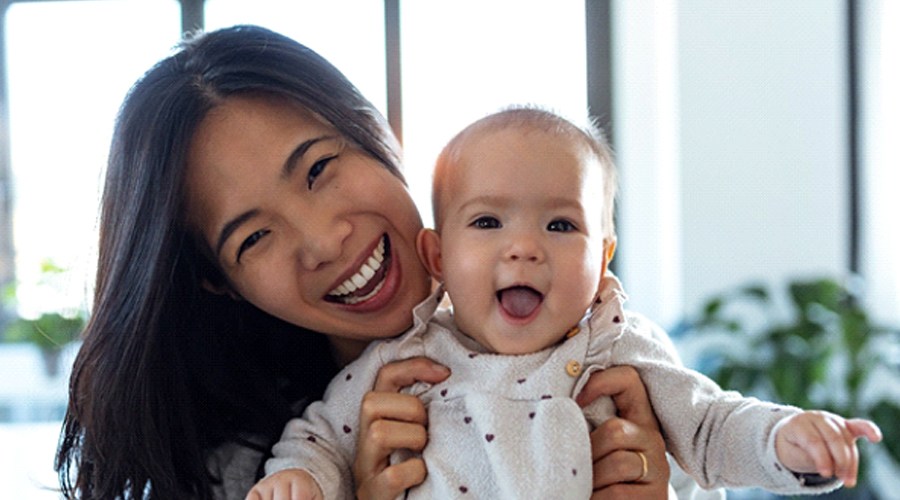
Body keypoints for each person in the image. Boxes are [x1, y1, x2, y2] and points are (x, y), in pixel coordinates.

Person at [55, 26, 688, 499]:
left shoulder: (597, 350)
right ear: (220, 283)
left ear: (375, 133)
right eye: (254, 238)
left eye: (320, 169)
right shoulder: (249, 469)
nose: (325, 241)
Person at [250, 107, 883, 499]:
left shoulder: (621, 350)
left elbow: (712, 427)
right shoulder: (406, 362)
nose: (523, 249)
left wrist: (785, 439)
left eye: (560, 227)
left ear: (603, 258)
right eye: (488, 222)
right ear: (438, 257)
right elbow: (321, 439)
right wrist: (299, 481)